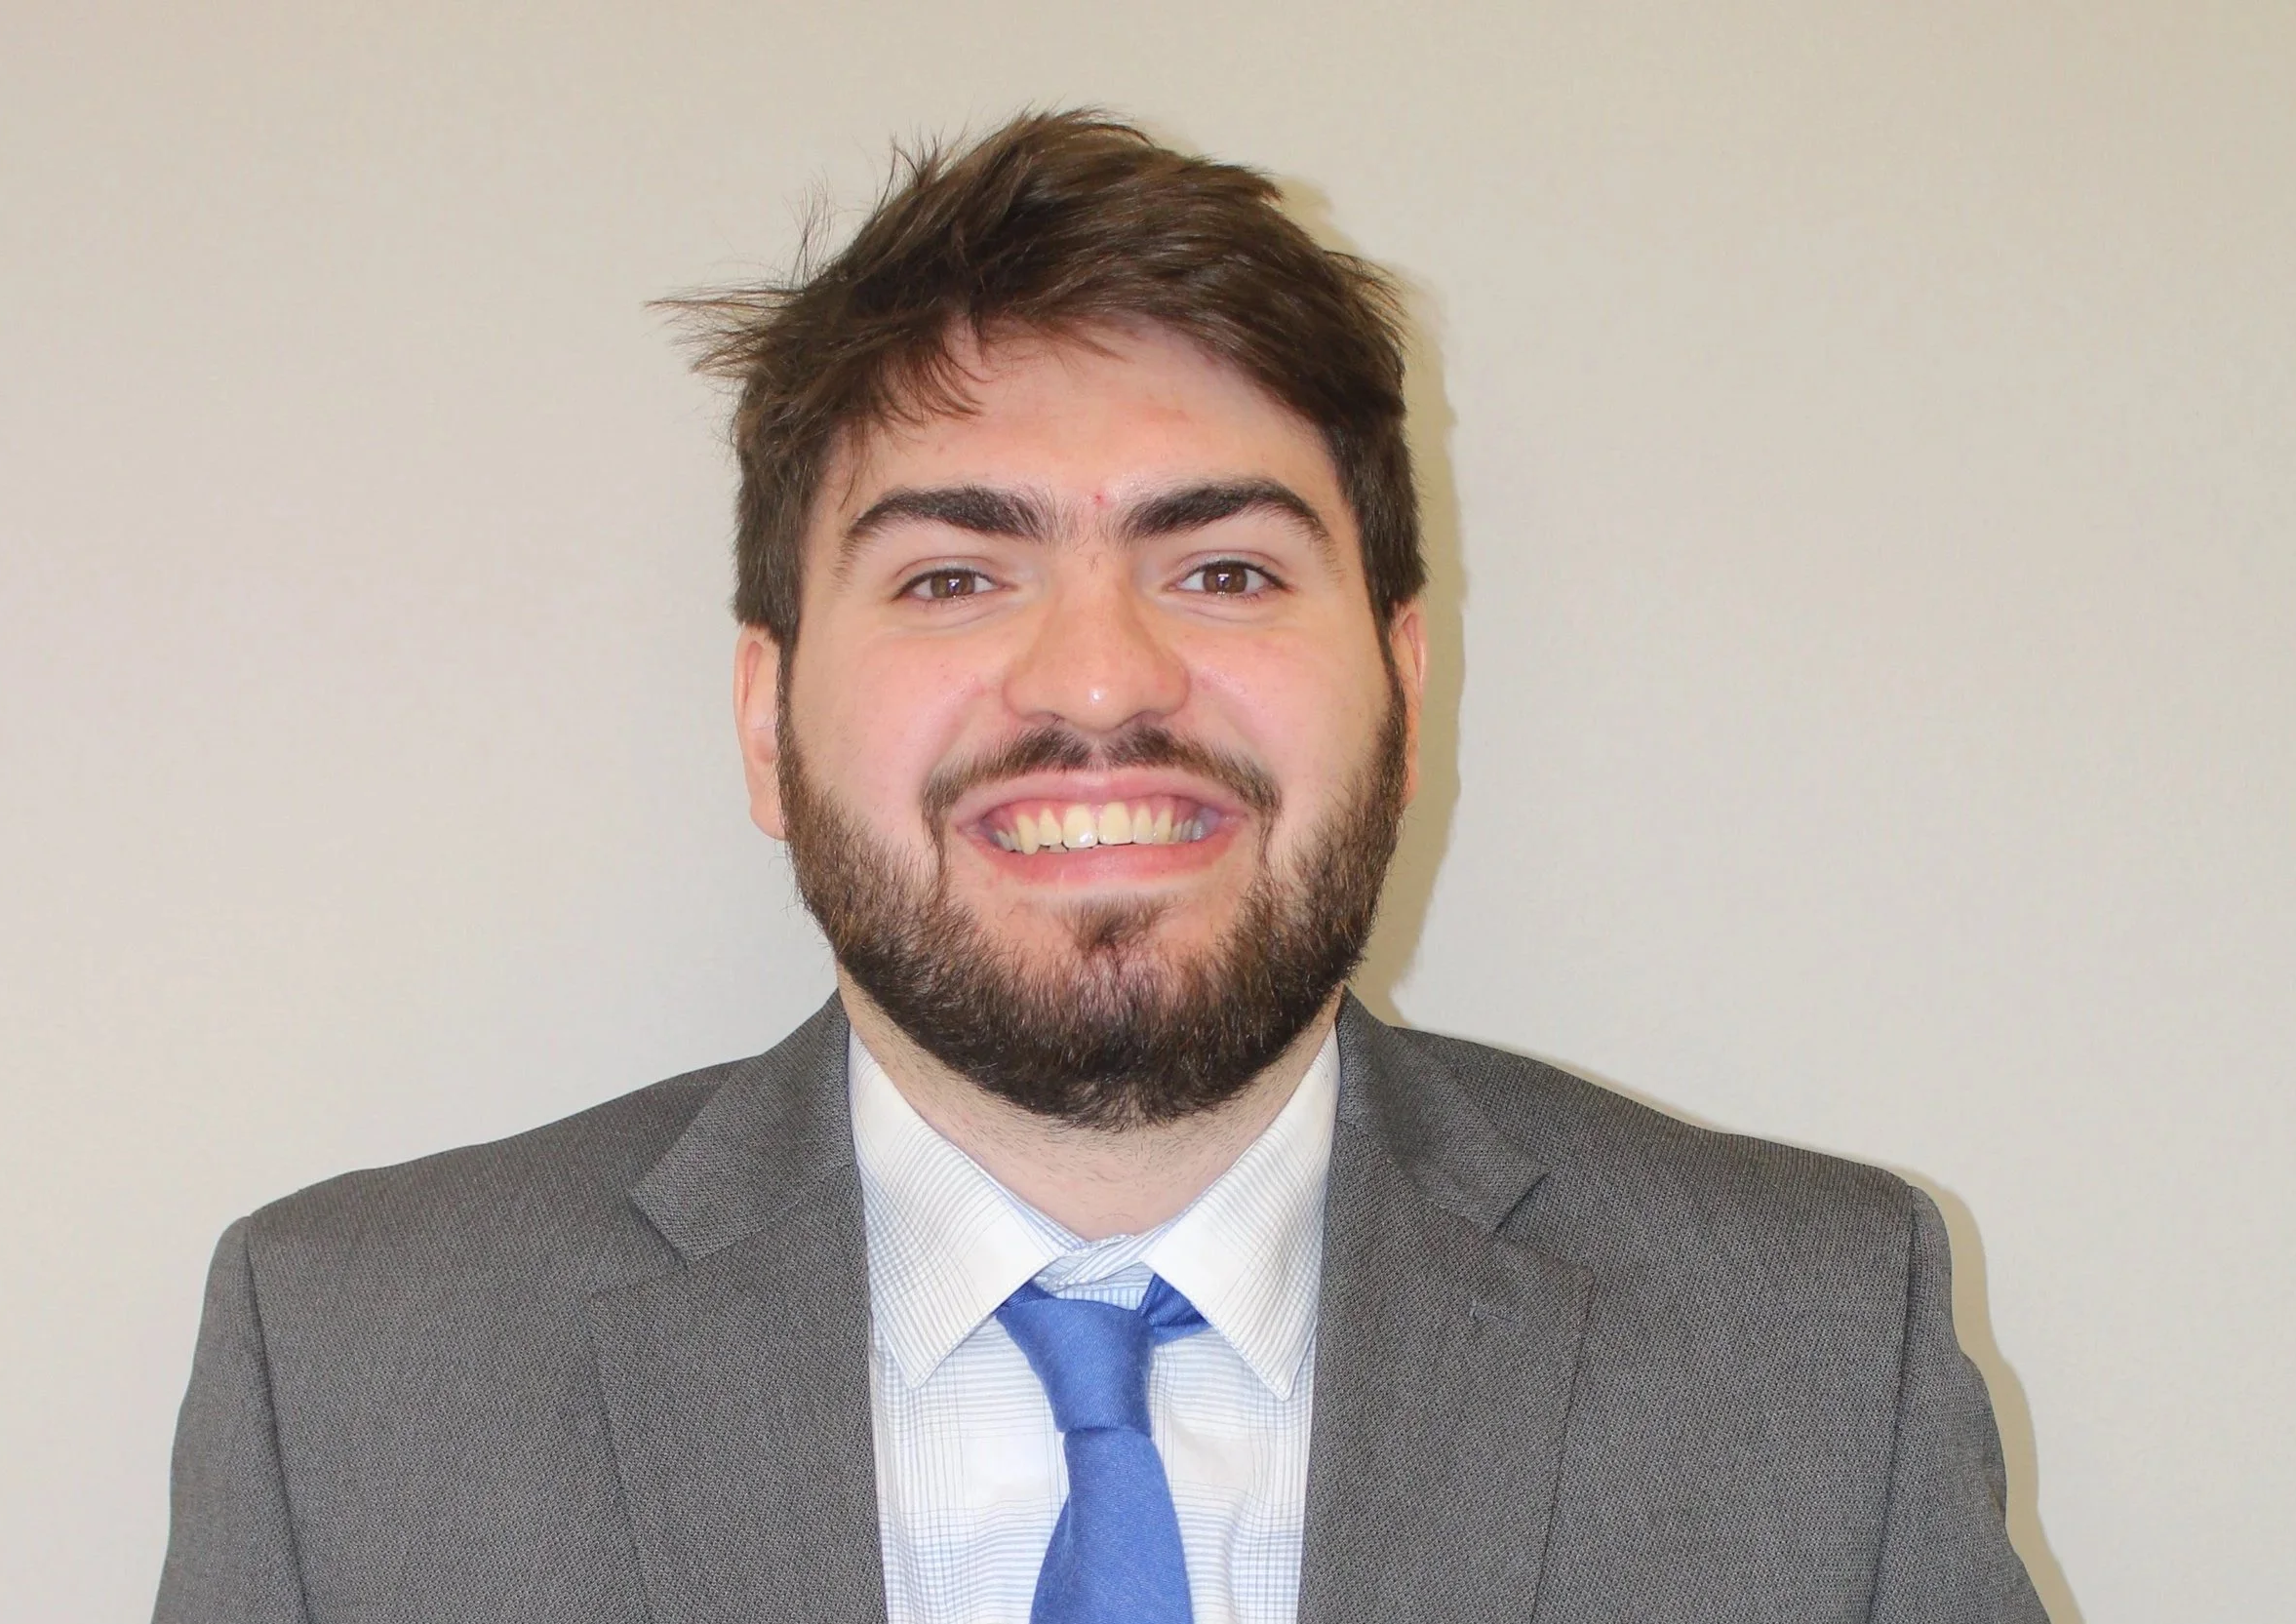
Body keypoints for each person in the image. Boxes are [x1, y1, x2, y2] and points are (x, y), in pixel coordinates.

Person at [153, 110, 2045, 1624]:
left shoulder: (1808, 1343)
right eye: (950, 575)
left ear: (1402, 690)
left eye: (1220, 568)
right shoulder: (352, 1364)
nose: (1096, 680)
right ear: (765, 716)